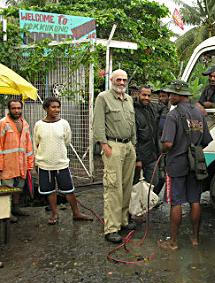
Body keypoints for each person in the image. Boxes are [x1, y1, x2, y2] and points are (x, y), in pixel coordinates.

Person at [158, 80, 212, 250]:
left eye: (173, 94)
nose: (170, 96)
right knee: (195, 200)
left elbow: (167, 143)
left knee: (176, 202)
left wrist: (162, 149)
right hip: (195, 164)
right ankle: (195, 239)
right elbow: (206, 141)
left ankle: (173, 242)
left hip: (176, 164)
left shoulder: (173, 115)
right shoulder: (198, 113)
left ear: (180, 95)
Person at [93, 69, 137, 244]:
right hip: (113, 145)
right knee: (113, 187)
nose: (121, 82)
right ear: (111, 80)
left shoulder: (129, 99)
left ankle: (123, 221)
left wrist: (133, 144)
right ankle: (111, 228)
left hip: (128, 146)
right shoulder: (103, 98)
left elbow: (132, 124)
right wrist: (104, 144)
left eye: (124, 80)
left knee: (127, 186)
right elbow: (97, 124)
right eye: (118, 79)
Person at [34, 97, 92, 225]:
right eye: (53, 107)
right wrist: (36, 162)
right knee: (50, 191)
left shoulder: (64, 123)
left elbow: (67, 140)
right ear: (46, 108)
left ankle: (76, 213)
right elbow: (36, 143)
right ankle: (54, 213)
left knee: (68, 190)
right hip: (44, 164)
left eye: (58, 107)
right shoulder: (39, 125)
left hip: (61, 163)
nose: (56, 110)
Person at [0, 99, 34, 222]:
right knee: (6, 189)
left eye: (19, 108)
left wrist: (30, 163)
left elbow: (28, 145)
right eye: (14, 108)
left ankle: (15, 208)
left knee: (18, 187)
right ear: (9, 109)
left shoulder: (24, 123)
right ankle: (4, 213)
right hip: (7, 164)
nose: (16, 110)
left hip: (22, 164)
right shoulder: (3, 123)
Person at [134, 85, 161, 186]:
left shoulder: (152, 109)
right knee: (136, 187)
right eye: (144, 95)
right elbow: (134, 136)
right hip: (140, 156)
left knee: (153, 184)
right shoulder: (133, 110)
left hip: (152, 156)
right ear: (138, 94)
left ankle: (149, 202)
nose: (146, 98)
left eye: (149, 95)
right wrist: (137, 159)